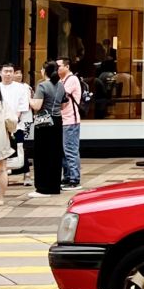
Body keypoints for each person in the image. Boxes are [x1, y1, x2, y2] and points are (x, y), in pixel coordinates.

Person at [29, 61, 62, 197]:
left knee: (42, 154)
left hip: (44, 122)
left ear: (44, 71)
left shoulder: (42, 85)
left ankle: (42, 188)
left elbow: (36, 106)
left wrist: (28, 98)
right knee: (55, 154)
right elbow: (64, 104)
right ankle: (54, 186)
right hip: (57, 120)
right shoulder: (61, 85)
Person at [0, 63, 32, 185]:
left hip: (17, 123)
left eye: (10, 71)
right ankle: (4, 175)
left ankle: (26, 175)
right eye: (5, 71)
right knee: (3, 150)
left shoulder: (20, 88)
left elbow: (22, 106)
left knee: (20, 148)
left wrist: (13, 120)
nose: (8, 73)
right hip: (0, 125)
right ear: (0, 73)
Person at [56, 57, 83, 190]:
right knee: (64, 151)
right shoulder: (61, 80)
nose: (57, 68)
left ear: (67, 67)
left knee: (70, 150)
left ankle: (74, 179)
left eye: (59, 66)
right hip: (63, 120)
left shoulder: (72, 79)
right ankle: (67, 177)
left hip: (70, 121)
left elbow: (60, 96)